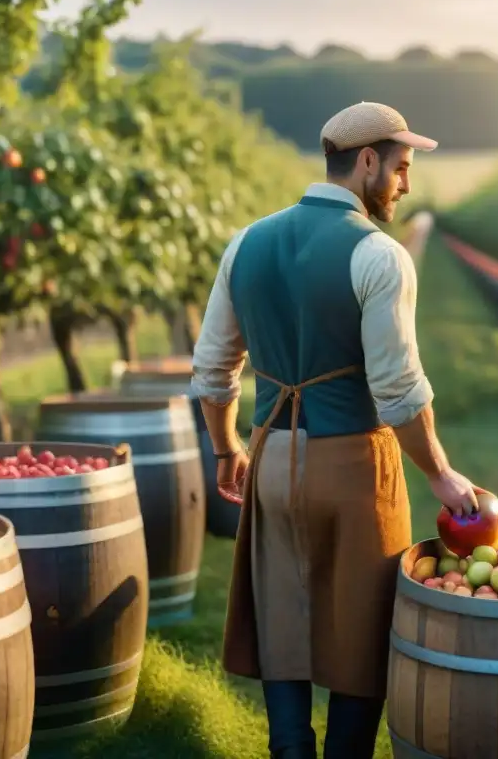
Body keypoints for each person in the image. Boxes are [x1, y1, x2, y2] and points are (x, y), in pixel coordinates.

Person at [190, 101, 480, 759]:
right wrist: (439, 473)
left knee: (282, 613)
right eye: (401, 168)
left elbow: (212, 371)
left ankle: (291, 750)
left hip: (270, 458)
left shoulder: (246, 242)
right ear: (367, 161)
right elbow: (399, 390)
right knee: (364, 623)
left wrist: (226, 447)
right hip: (353, 463)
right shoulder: (379, 256)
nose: (406, 185)